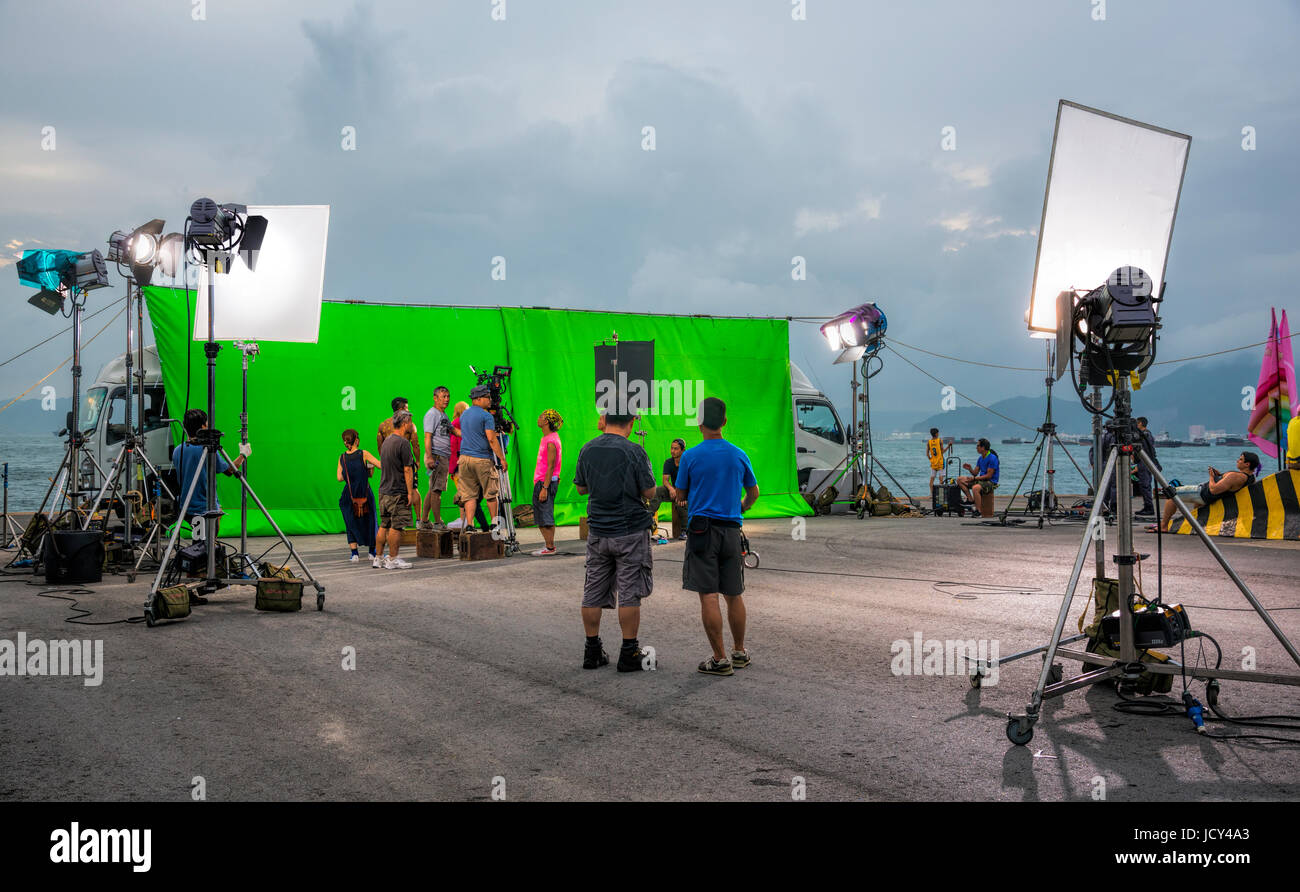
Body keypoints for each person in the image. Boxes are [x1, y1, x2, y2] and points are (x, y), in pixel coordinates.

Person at [675, 398, 759, 677]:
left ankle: (719, 659)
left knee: (708, 594)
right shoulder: (738, 454)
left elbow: (681, 496)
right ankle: (739, 651)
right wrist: (740, 508)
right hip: (732, 531)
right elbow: (753, 493)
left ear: (699, 423)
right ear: (724, 421)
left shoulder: (689, 456)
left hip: (702, 532)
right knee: (734, 593)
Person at [573, 412, 657, 673]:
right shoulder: (634, 451)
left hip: (598, 531)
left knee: (593, 590)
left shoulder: (587, 449)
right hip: (630, 530)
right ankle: (629, 651)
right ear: (631, 422)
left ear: (605, 419)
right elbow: (649, 491)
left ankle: (592, 650)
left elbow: (581, 488)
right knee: (629, 591)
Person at [173, 408, 250, 542]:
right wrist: (243, 455)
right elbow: (229, 471)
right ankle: (205, 560)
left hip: (186, 505)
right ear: (202, 426)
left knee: (200, 541)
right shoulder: (206, 449)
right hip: (205, 507)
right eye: (207, 423)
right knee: (205, 544)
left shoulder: (178, 450)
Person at [1155, 451, 1261, 532]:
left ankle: (1163, 526)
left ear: (1247, 464)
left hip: (1203, 493)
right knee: (1195, 505)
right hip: (1207, 496)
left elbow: (1213, 490)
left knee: (1172, 495)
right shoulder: (1251, 478)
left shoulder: (1235, 476)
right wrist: (1219, 476)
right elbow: (1227, 485)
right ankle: (1192, 526)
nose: (1237, 460)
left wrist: (1211, 477)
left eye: (1241, 459)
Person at [457, 384, 509, 534]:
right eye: (487, 397)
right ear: (478, 399)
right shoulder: (487, 416)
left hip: (464, 459)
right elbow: (492, 439)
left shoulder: (465, 414)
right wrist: (502, 459)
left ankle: (470, 525)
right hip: (482, 459)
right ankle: (494, 525)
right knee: (491, 493)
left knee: (469, 494)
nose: (490, 400)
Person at [376, 410, 418, 569]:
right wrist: (409, 492)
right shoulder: (403, 443)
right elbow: (408, 470)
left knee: (384, 524)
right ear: (404, 423)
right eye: (410, 422)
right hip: (397, 491)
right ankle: (393, 559)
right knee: (397, 526)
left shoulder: (386, 441)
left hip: (384, 491)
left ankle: (378, 558)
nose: (412, 425)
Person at [377, 397, 422, 529]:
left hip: (389, 463)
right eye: (407, 408)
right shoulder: (410, 425)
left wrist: (386, 461)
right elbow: (416, 444)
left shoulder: (383, 425)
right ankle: (419, 520)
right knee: (413, 489)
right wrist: (418, 460)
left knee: (391, 492)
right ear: (402, 409)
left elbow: (380, 446)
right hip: (406, 462)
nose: (408, 410)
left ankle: (391, 523)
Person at [337, 429, 380, 562]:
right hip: (364, 492)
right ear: (356, 440)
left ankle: (354, 554)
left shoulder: (342, 457)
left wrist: (352, 473)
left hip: (349, 494)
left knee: (350, 523)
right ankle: (372, 552)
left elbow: (339, 477)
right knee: (371, 521)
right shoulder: (364, 453)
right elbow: (378, 466)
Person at [532, 409, 564, 556]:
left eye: (541, 416)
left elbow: (551, 465)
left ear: (546, 422)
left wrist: (545, 487)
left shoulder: (551, 440)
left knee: (545, 515)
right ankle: (549, 546)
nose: (538, 418)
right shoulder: (548, 438)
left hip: (545, 482)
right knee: (543, 514)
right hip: (545, 481)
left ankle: (550, 547)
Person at [421, 386, 453, 530]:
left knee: (432, 489)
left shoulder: (444, 415)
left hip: (442, 455)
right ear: (435, 398)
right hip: (436, 455)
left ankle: (424, 521)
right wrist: (429, 457)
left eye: (448, 396)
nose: (446, 399)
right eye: (443, 396)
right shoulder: (432, 414)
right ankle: (438, 522)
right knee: (436, 490)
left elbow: (454, 431)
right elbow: (427, 437)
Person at [648, 438, 688, 539]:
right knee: (658, 491)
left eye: (676, 449)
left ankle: (685, 531)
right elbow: (665, 480)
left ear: (683, 450)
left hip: (686, 491)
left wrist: (682, 494)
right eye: (671, 448)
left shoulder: (688, 462)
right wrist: (671, 489)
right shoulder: (668, 462)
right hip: (674, 491)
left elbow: (692, 481)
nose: (672, 451)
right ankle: (647, 522)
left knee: (680, 502)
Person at [957, 438, 999, 517]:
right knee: (960, 479)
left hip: (990, 482)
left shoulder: (992, 458)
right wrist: (970, 468)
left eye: (978, 446)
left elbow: (989, 476)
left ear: (983, 447)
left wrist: (974, 479)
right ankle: (970, 499)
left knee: (975, 488)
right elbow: (975, 473)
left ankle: (978, 511)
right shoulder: (980, 458)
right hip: (981, 480)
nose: (976, 448)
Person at [1134, 417, 1161, 517]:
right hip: (1145, 461)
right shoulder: (1146, 435)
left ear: (1140, 423)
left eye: (1137, 423)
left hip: (1145, 461)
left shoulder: (1145, 435)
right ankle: (1147, 506)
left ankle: (1149, 507)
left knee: (1145, 485)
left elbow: (1145, 449)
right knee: (1144, 485)